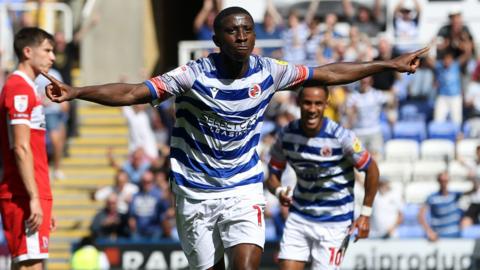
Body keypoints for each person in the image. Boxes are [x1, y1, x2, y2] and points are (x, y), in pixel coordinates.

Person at [42, 6, 427, 269]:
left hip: (243, 187)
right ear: (216, 38)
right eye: (232, 30)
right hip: (194, 190)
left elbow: (327, 73)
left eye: (247, 30)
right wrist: (76, 92)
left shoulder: (269, 72)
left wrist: (387, 63)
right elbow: (133, 93)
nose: (242, 36)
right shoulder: (193, 75)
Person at [266, 85, 379, 269]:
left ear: (326, 105)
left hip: (335, 223)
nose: (312, 109)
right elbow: (273, 174)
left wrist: (365, 214)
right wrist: (279, 192)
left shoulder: (341, 137)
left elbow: (372, 169)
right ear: (298, 103)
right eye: (307, 103)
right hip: (300, 217)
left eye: (318, 104)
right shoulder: (287, 135)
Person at [0, 27, 56, 269]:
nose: (52, 57)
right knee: (30, 265)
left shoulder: (28, 88)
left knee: (29, 263)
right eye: (47, 50)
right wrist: (34, 197)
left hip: (33, 192)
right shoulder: (18, 88)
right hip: (22, 194)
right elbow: (20, 148)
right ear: (27, 51)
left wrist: (42, 199)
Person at [418, 171, 463, 241]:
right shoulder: (432, 197)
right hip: (438, 237)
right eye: (441, 181)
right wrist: (429, 231)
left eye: (446, 181)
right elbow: (421, 215)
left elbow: (474, 192)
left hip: (455, 236)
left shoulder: (455, 195)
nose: (444, 183)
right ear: (438, 181)